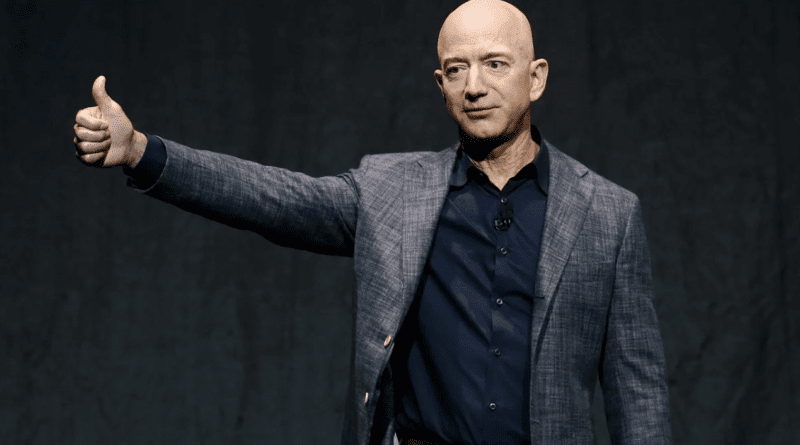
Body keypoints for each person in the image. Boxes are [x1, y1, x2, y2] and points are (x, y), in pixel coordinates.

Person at [72, 0, 672, 443]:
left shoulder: (608, 214)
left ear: (534, 77)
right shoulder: (392, 192)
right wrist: (143, 151)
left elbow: (638, 391)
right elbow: (273, 198)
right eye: (456, 69)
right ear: (440, 84)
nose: (475, 87)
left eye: (495, 64)